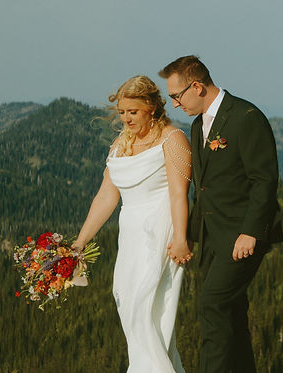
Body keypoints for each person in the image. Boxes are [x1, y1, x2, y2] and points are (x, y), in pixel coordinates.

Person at [159, 55, 283, 373]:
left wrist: (251, 232)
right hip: (213, 239)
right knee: (231, 314)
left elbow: (264, 180)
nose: (174, 104)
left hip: (242, 235)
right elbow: (204, 188)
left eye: (176, 95)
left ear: (197, 86)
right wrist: (185, 236)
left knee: (212, 306)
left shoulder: (246, 117)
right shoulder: (199, 124)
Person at [72, 75, 193, 373]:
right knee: (127, 303)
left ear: (151, 107)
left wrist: (181, 238)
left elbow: (180, 194)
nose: (126, 118)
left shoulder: (173, 139)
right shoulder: (120, 144)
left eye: (133, 112)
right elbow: (105, 198)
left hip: (160, 235)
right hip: (130, 238)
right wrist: (79, 242)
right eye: (122, 112)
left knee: (150, 312)